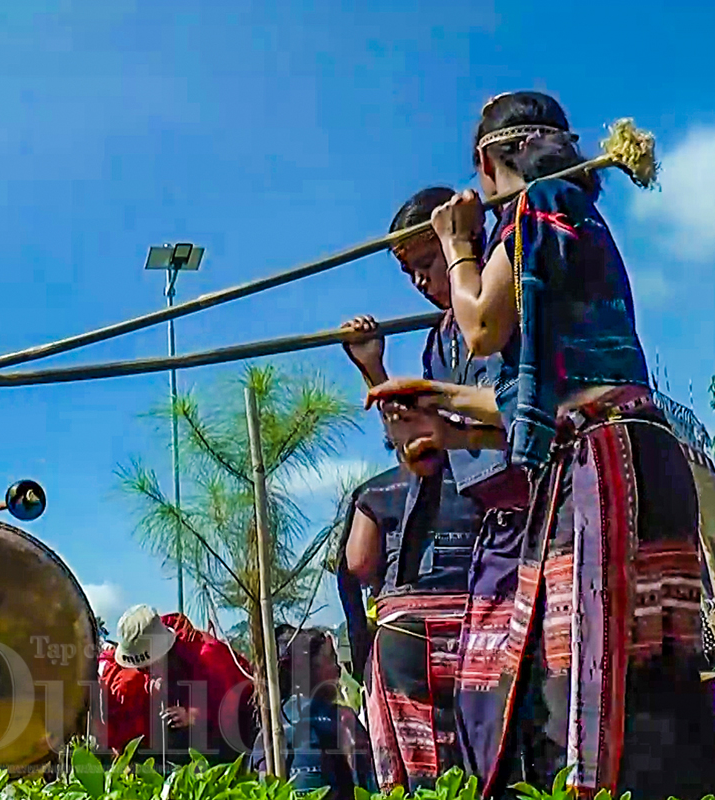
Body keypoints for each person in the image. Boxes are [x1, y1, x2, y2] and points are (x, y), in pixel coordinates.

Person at [369, 91, 715, 798]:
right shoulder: (576, 217)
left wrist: (460, 243)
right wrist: (431, 402)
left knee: (586, 668)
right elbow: (533, 395)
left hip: (602, 466)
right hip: (635, 453)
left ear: (489, 163)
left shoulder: (536, 209)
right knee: (642, 670)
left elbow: (481, 326)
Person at [337, 187, 517, 793]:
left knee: (499, 744)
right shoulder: (438, 343)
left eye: (428, 263)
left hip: (496, 549)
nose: (419, 281)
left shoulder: (502, 304)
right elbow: (421, 454)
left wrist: (444, 421)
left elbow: (520, 418)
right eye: (409, 271)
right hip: (458, 557)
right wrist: (375, 372)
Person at [101, 605, 254, 764]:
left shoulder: (207, 657)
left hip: (232, 735)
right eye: (141, 668)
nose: (144, 671)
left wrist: (192, 715)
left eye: (147, 666)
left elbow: (232, 704)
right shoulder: (133, 671)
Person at [250, 626, 372, 799]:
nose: (338, 669)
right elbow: (369, 785)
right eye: (331, 660)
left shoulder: (266, 730)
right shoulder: (342, 720)